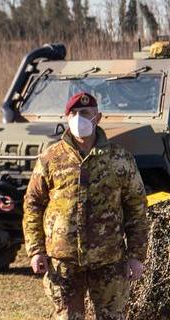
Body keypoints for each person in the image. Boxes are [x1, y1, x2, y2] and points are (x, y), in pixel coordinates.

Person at [22, 91, 150, 320]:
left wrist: (137, 256)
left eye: (85, 113)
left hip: (109, 260)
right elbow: (33, 204)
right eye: (74, 113)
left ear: (98, 117)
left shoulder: (119, 159)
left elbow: (136, 208)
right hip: (63, 261)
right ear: (67, 118)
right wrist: (36, 250)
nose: (79, 118)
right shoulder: (51, 158)